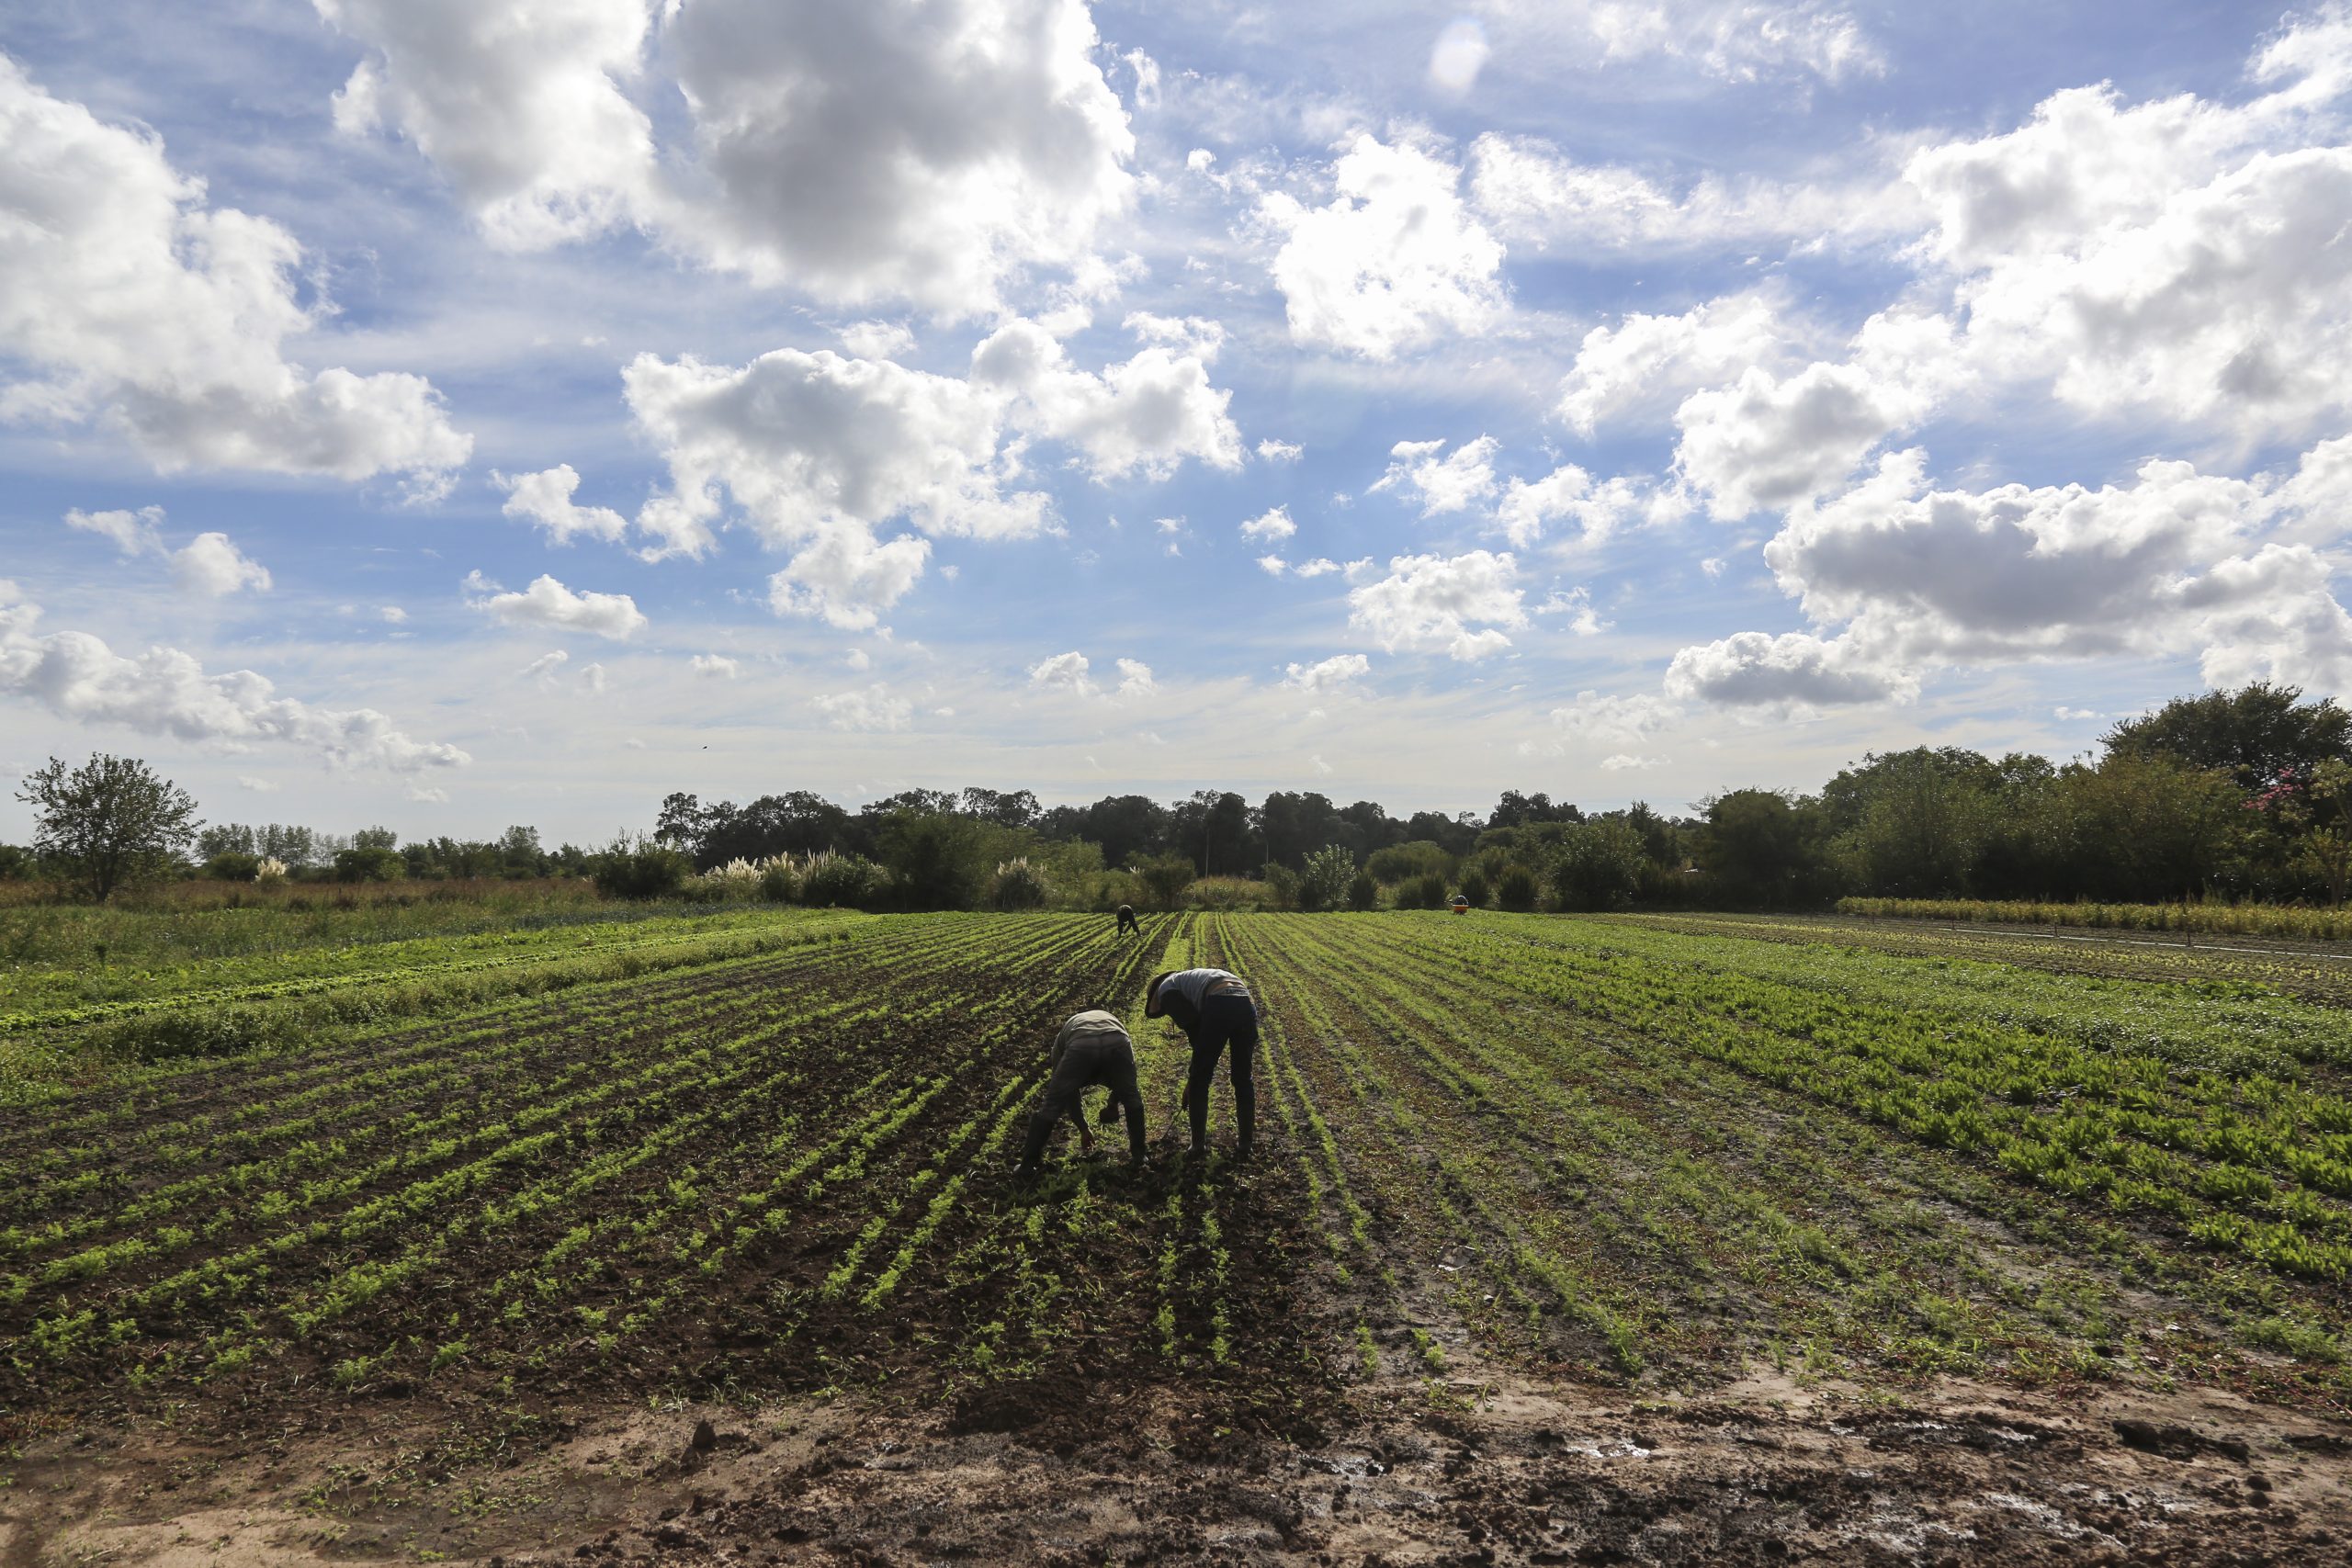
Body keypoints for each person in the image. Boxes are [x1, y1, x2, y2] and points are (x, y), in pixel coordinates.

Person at [1016, 1009, 1148, 1174]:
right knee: (1132, 1097)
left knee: (1051, 1105)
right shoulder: (1069, 1038)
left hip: (1082, 1044)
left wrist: (1083, 1128)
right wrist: (1113, 1103)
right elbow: (1126, 1082)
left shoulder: (1061, 1045)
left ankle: (1027, 1165)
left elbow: (1067, 1095)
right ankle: (1140, 1156)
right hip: (1117, 1039)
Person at [1146, 967, 1256, 1159]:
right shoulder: (1189, 979)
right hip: (1245, 1002)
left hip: (1220, 1002)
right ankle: (1245, 1144)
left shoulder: (1166, 989)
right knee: (1243, 1078)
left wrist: (1193, 1078)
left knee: (1200, 1081)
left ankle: (1197, 1146)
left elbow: (1195, 1031)